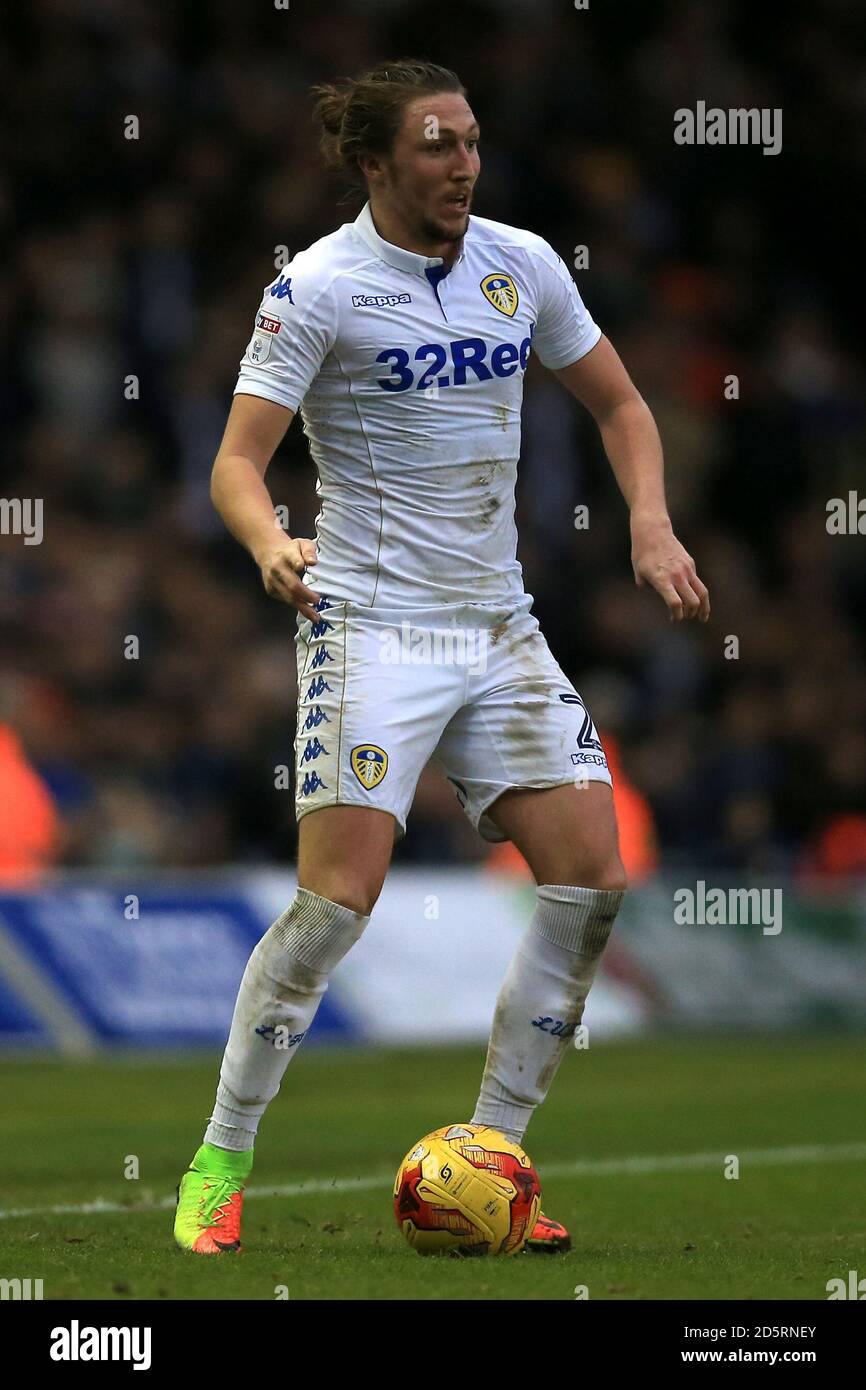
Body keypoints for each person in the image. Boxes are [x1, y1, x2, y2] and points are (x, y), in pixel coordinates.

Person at [174, 58, 709, 1256]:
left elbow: (621, 406)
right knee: (332, 907)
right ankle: (219, 1159)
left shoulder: (521, 265)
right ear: (376, 162)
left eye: (470, 140)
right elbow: (234, 462)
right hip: (368, 627)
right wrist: (269, 545)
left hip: (494, 622)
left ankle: (498, 1162)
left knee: (588, 879)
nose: (463, 163)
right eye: (435, 144)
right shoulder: (315, 288)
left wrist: (649, 518)